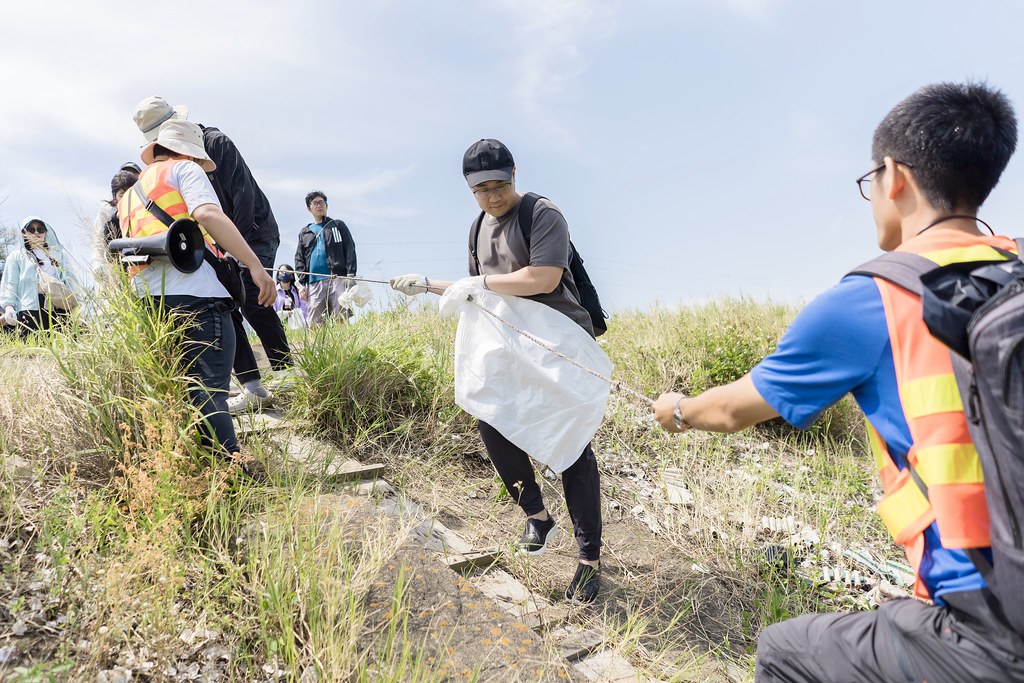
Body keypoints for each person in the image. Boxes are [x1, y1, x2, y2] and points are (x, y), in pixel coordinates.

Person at [652, 82, 1024, 682]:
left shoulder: (876, 297)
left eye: (869, 181)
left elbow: (730, 411)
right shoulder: (1016, 270)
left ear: (894, 176)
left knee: (784, 651)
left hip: (990, 622)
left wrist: (675, 409)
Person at [389, 139, 603, 603]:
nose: (492, 197)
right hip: (509, 344)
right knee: (491, 419)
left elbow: (542, 279)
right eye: (481, 190)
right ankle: (537, 516)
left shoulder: (542, 214)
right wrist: (428, 285)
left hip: (560, 342)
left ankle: (589, 558)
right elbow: (475, 292)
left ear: (514, 175)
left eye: (499, 186)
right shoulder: (477, 228)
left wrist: (473, 282)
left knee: (570, 447)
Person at [117, 119, 276, 475]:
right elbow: (207, 213)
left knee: (185, 388)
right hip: (197, 295)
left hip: (150, 303)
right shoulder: (183, 169)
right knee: (209, 390)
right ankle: (232, 471)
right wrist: (254, 265)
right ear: (185, 151)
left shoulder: (128, 196)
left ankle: (197, 468)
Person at [132, 96, 291, 413]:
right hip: (217, 242)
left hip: (253, 231)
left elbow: (242, 197)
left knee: (253, 297)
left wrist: (239, 254)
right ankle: (252, 386)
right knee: (225, 302)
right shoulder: (172, 166)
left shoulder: (216, 142)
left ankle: (288, 370)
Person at [1, 217, 77, 338]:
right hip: (30, 308)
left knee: (63, 345)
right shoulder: (16, 256)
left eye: (40, 229)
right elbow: (10, 283)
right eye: (31, 229)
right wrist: (9, 306)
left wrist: (77, 303)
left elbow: (70, 279)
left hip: (59, 305)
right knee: (33, 346)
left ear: (45, 232)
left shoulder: (59, 255)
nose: (36, 233)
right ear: (24, 233)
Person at [293, 191, 357, 326]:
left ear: (326, 205)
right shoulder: (305, 232)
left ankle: (343, 345)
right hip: (314, 281)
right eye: (315, 203)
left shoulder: (337, 225)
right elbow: (299, 258)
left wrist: (351, 274)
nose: (319, 205)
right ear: (309, 208)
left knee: (341, 316)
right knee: (315, 322)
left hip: (337, 278)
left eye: (322, 202)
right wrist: (301, 283)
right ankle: (317, 347)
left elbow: (350, 248)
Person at [91, 165, 141, 285]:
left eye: (134, 175)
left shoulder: (145, 208)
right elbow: (98, 240)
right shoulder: (108, 211)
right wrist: (97, 263)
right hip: (115, 268)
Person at [273, 264, 308, 330]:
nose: (284, 274)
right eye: (281, 272)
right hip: (279, 323)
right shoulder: (274, 292)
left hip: (296, 325)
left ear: (292, 275)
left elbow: (304, 309)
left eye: (287, 272)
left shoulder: (297, 292)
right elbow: (272, 309)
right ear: (278, 275)